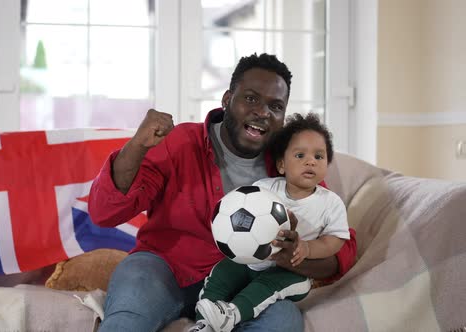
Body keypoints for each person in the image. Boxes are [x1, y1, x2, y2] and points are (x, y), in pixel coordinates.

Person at [88, 53, 357, 332]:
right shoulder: (181, 142)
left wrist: (297, 256)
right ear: (227, 99)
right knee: (133, 289)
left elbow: (340, 246)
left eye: (275, 106)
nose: (263, 112)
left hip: (244, 285)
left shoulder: (289, 162)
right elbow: (104, 212)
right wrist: (136, 146)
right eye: (251, 99)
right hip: (165, 269)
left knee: (284, 319)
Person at [190, 113, 350, 332]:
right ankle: (204, 324)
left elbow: (335, 240)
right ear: (282, 165)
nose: (310, 161)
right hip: (250, 261)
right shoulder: (264, 189)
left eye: (319, 156)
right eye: (300, 155)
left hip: (292, 273)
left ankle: (232, 315)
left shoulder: (330, 202)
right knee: (220, 274)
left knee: (265, 287)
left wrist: (307, 248)